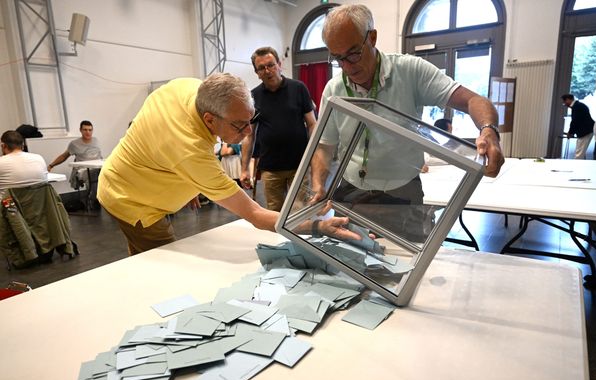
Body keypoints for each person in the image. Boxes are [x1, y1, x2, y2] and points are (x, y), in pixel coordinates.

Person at [97, 73, 359, 255]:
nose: (247, 133)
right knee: (164, 259)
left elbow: (160, 138)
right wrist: (316, 227)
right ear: (210, 120)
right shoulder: (189, 151)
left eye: (250, 120)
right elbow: (255, 214)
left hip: (139, 171)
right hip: (129, 197)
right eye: (238, 125)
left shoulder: (188, 88)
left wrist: (189, 182)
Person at [311, 4, 504, 241]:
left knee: (408, 264)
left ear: (372, 37)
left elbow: (473, 100)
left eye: (353, 53)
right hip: (351, 191)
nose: (348, 67)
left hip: (403, 192)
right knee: (348, 261)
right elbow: (325, 145)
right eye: (338, 58)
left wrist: (489, 130)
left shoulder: (410, 71)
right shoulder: (334, 88)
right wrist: (318, 183)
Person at [240, 46, 317, 211]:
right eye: (261, 68)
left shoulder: (298, 88)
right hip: (270, 169)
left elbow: (312, 124)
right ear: (257, 72)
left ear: (279, 64)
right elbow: (249, 135)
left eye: (271, 65)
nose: (268, 71)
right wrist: (244, 168)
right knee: (274, 214)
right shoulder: (253, 97)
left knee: (300, 211)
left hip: (300, 165)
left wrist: (314, 156)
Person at [47, 120, 102, 192]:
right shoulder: (74, 144)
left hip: (98, 168)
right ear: (80, 130)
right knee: (94, 177)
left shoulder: (96, 140)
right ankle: (94, 199)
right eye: (85, 130)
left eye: (90, 130)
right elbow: (64, 156)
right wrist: (51, 165)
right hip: (84, 170)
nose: (88, 132)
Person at [561, 94, 594, 159]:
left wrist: (570, 133)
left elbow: (575, 121)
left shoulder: (577, 107)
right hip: (587, 130)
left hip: (585, 132)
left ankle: (577, 168)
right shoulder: (578, 105)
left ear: (568, 99)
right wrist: (571, 132)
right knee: (581, 152)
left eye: (564, 102)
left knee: (579, 154)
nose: (564, 104)